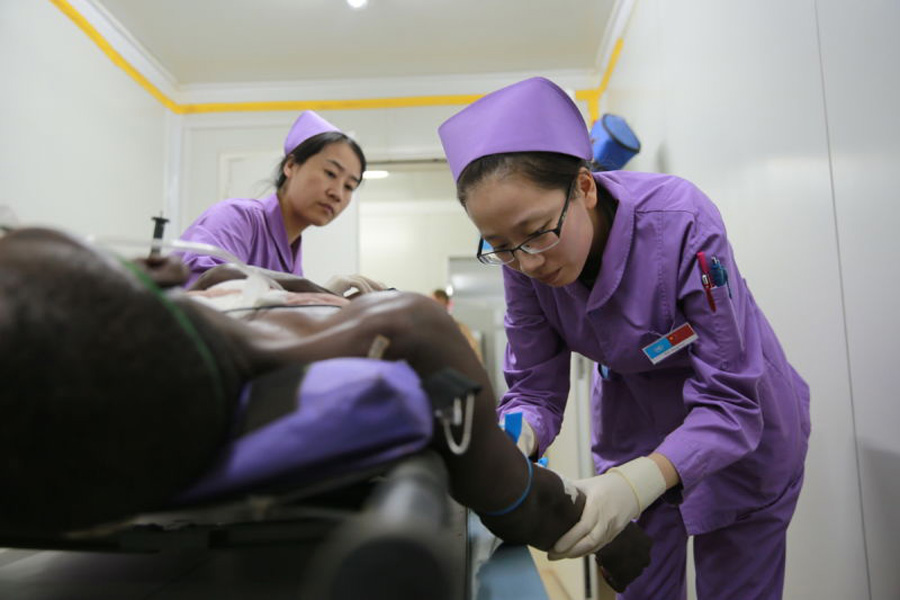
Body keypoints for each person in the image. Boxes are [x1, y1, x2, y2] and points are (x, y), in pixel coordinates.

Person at [0, 226, 651, 590]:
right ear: (163, 278)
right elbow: (521, 503)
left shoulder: (198, 319)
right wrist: (609, 523)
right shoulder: (406, 326)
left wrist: (310, 288)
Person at [438, 77, 811, 599]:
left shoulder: (680, 222)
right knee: (641, 584)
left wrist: (638, 483)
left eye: (539, 231)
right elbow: (534, 390)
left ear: (585, 187)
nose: (528, 262)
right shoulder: (522, 259)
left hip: (740, 431)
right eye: (500, 246)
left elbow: (730, 398)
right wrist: (514, 436)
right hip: (633, 422)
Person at [177, 110, 371, 292]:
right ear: (291, 165)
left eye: (349, 186)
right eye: (330, 173)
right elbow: (207, 291)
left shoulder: (291, 259)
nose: (337, 193)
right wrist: (310, 292)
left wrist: (325, 299)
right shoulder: (237, 217)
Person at [430, 288, 483, 362]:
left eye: (439, 303)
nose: (435, 307)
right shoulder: (427, 328)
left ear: (447, 305)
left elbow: (475, 355)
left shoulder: (460, 328)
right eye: (432, 303)